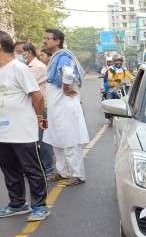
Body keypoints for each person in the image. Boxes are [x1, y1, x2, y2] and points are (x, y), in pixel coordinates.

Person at [0, 31, 50, 221]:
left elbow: (36, 95)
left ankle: (40, 206)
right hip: (2, 132)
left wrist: (38, 117)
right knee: (9, 170)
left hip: (22, 130)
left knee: (32, 169)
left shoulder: (18, 68)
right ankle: (17, 204)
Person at [41, 28, 89, 186]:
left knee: (70, 140)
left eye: (48, 38)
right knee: (56, 140)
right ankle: (63, 172)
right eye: (45, 38)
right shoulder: (55, 57)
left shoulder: (62, 56)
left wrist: (67, 87)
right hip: (56, 107)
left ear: (57, 41)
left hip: (65, 107)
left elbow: (67, 72)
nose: (45, 41)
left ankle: (77, 174)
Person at [17, 41, 55, 179]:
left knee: (42, 139)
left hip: (40, 107)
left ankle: (49, 169)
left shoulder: (37, 67)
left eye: (20, 52)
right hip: (29, 107)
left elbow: (24, 87)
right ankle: (40, 169)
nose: (18, 55)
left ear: (29, 51)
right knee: (32, 139)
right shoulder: (25, 67)